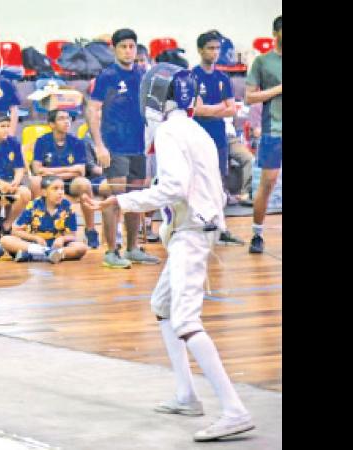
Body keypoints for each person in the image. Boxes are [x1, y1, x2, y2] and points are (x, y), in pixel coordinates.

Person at [83, 63, 254, 441]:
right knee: (162, 306)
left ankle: (234, 409)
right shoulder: (194, 130)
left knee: (186, 321)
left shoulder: (170, 131)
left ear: (155, 94)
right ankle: (186, 394)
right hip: (193, 230)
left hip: (192, 234)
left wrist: (121, 201)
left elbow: (174, 187)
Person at [86, 28, 160, 268]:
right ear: (113, 49)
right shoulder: (106, 76)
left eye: (132, 46)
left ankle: (132, 248)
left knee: (135, 199)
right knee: (115, 199)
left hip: (138, 146)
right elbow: (92, 110)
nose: (128, 51)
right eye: (123, 46)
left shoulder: (143, 75)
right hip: (114, 147)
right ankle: (111, 251)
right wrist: (99, 146)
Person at [191, 30, 245, 246]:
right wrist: (220, 107)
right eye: (210, 48)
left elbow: (232, 110)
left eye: (217, 49)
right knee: (196, 182)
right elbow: (195, 110)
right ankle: (197, 225)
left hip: (219, 138)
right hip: (197, 137)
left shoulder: (223, 78)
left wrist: (211, 109)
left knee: (219, 182)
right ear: (200, 50)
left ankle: (221, 227)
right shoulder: (190, 76)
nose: (214, 53)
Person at [30, 109, 99, 249]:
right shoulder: (42, 141)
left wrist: (52, 172)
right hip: (49, 182)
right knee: (35, 181)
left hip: (70, 182)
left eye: (68, 118)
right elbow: (37, 169)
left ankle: (91, 230)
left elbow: (81, 170)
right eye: (61, 118)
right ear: (52, 124)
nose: (67, 121)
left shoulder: (77, 142)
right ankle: (40, 229)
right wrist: (68, 170)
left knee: (84, 183)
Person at [245, 15, 282, 254]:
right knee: (267, 184)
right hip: (273, 130)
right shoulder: (262, 62)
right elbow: (250, 97)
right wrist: (279, 89)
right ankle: (257, 234)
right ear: (276, 33)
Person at [1, 175, 87, 263]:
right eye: (55, 189)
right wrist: (35, 238)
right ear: (44, 192)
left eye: (62, 188)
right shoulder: (33, 205)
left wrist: (62, 239)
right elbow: (16, 231)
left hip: (58, 246)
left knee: (82, 247)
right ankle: (47, 254)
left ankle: (35, 256)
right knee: (5, 240)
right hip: (35, 245)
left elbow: (72, 235)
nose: (60, 192)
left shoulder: (68, 206)